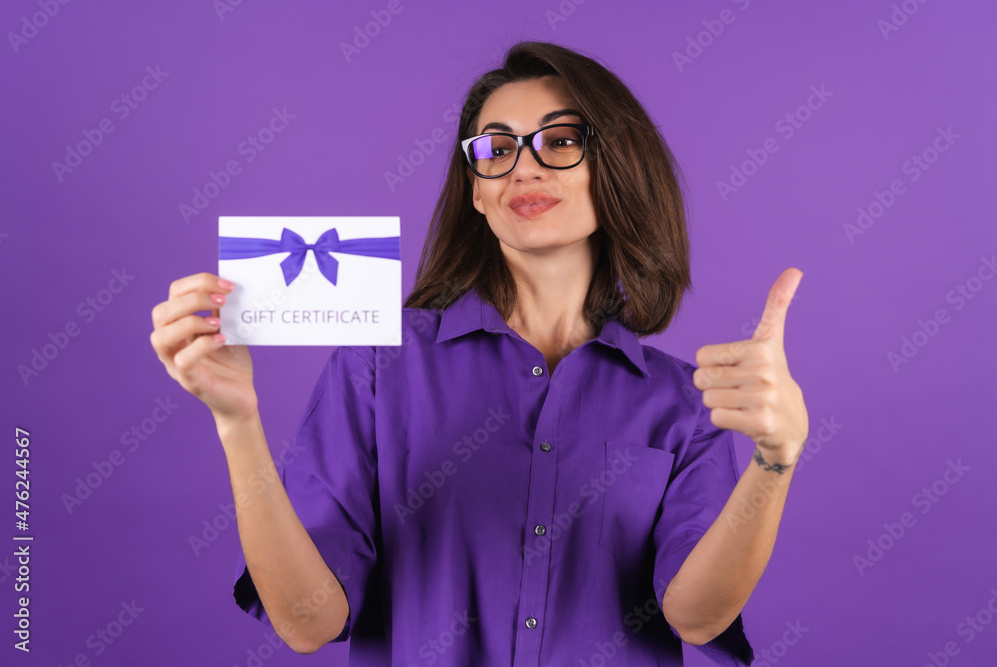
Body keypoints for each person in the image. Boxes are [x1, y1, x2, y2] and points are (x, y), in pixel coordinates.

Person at [149, 40, 808, 666]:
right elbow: (305, 620)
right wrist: (237, 422)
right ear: (477, 190)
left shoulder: (682, 404)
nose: (524, 164)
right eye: (495, 148)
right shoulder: (379, 366)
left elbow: (696, 615)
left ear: (616, 169)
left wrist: (773, 463)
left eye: (561, 140)